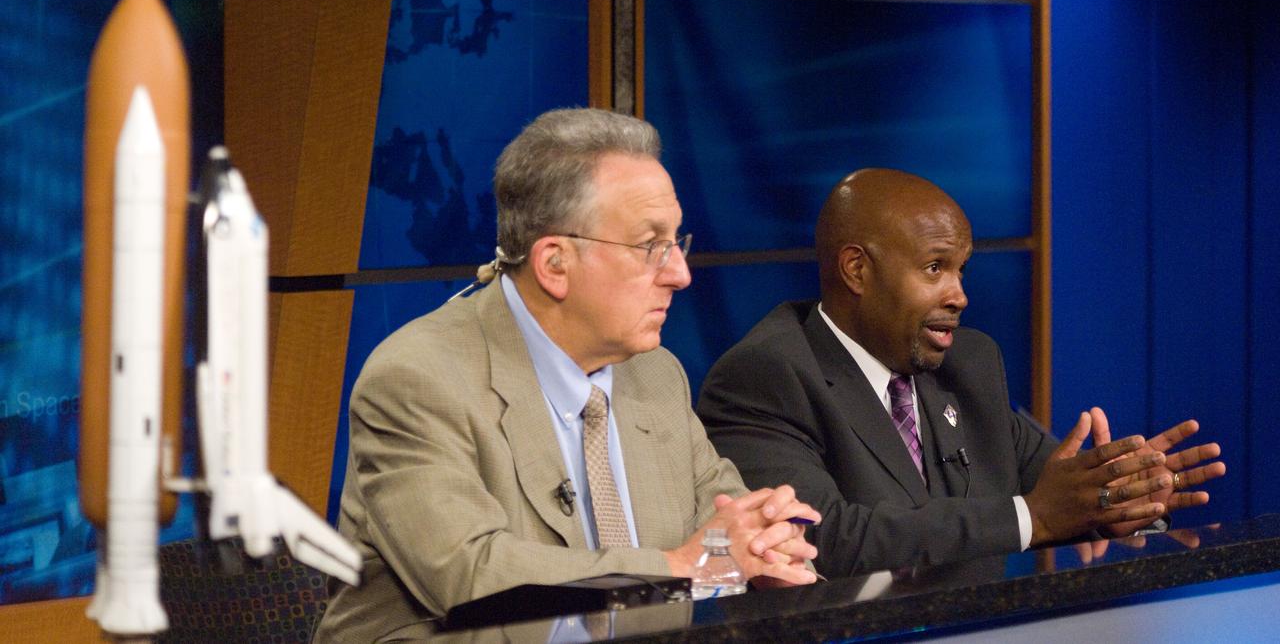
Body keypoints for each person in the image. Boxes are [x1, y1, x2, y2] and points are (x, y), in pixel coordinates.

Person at [315, 109, 819, 642]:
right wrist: (686, 568)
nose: (680, 274)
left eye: (677, 243)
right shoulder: (417, 380)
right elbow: (473, 579)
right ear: (554, 263)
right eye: (651, 247)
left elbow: (727, 517)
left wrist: (768, 549)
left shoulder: (654, 373)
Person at [696, 168, 1225, 578]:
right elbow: (821, 539)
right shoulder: (767, 375)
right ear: (857, 270)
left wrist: (1116, 498)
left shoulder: (968, 365)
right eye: (935, 268)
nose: (960, 296)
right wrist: (1035, 519)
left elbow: (1060, 492)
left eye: (961, 269)